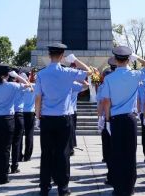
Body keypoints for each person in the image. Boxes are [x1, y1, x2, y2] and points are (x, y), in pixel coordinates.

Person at [35, 43, 93, 196]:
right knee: (63, 153)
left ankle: (44, 188)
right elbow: (89, 72)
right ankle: (63, 188)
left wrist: (37, 117)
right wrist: (75, 60)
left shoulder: (41, 74)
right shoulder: (68, 72)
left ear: (49, 56)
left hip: (47, 118)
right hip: (63, 119)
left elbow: (38, 98)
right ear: (62, 56)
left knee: (46, 153)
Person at [102, 45, 145, 196]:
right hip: (130, 118)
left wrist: (107, 121)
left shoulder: (109, 78)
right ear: (128, 59)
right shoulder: (135, 75)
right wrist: (138, 58)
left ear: (116, 59)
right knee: (130, 155)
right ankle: (129, 188)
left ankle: (118, 189)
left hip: (115, 119)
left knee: (117, 154)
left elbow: (106, 101)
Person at [0, 64, 31, 184]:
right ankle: (3, 177)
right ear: (7, 75)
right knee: (5, 149)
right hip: (7, 119)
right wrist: (17, 76)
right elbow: (28, 85)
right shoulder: (12, 86)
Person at [9, 68, 32, 173]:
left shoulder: (9, 86)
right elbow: (29, 86)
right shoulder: (19, 86)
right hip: (21, 114)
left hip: (10, 114)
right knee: (21, 139)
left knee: (13, 140)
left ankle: (18, 157)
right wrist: (21, 77)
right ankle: (23, 158)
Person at [96, 68, 112, 175]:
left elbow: (101, 102)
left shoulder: (102, 87)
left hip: (107, 116)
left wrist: (100, 117)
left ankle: (106, 157)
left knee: (106, 138)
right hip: (115, 115)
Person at [68, 78, 89, 156]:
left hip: (67, 110)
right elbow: (87, 85)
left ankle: (70, 147)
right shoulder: (74, 84)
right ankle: (71, 147)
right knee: (72, 130)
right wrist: (79, 79)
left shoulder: (64, 83)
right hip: (72, 111)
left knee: (70, 130)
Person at [19, 68, 36, 161]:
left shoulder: (18, 86)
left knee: (19, 135)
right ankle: (27, 155)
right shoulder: (34, 86)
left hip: (20, 112)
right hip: (30, 112)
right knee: (29, 134)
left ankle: (18, 155)